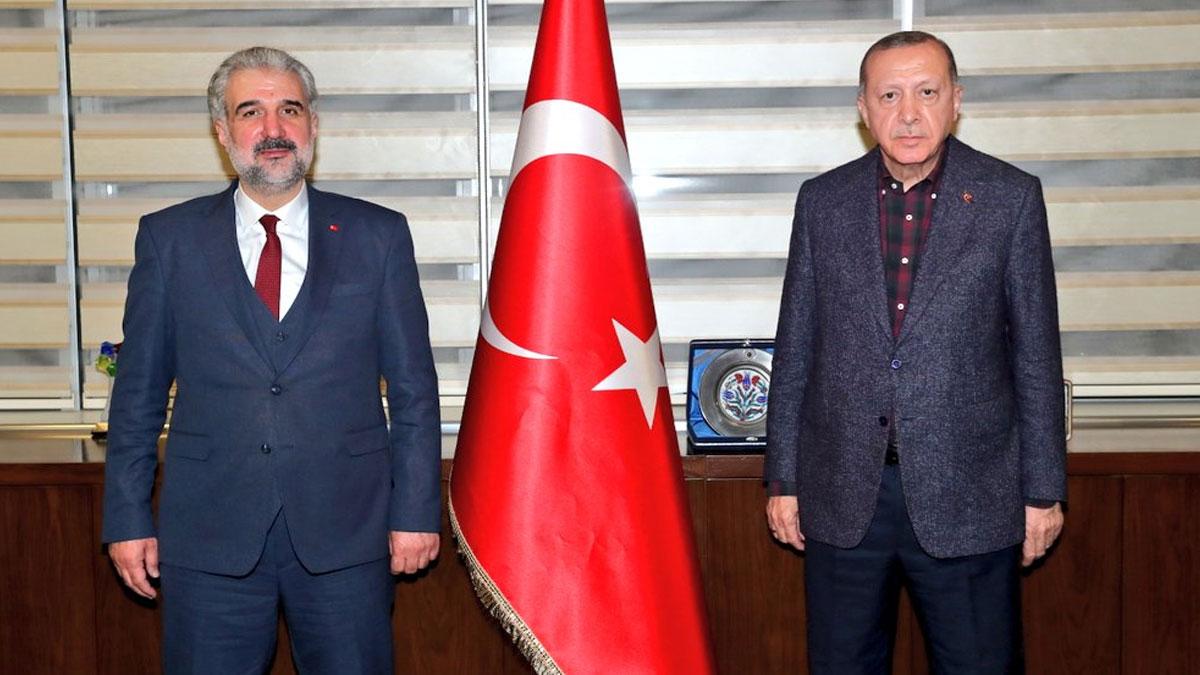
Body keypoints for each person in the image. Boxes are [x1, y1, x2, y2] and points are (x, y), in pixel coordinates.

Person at [101, 46, 442, 674]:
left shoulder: (378, 235)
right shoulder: (169, 239)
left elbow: (415, 390)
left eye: (290, 109)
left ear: (313, 124)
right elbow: (138, 396)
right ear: (222, 130)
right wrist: (127, 518)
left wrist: (416, 511)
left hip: (349, 535)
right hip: (208, 537)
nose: (273, 128)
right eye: (251, 112)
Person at [764, 31, 1066, 673]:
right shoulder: (822, 202)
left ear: (956, 101)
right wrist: (783, 479)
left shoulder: (1010, 198)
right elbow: (796, 348)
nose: (908, 114)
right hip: (843, 494)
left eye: (927, 93)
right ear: (863, 109)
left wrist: (1043, 491)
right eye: (889, 96)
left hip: (971, 494)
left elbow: (1037, 358)